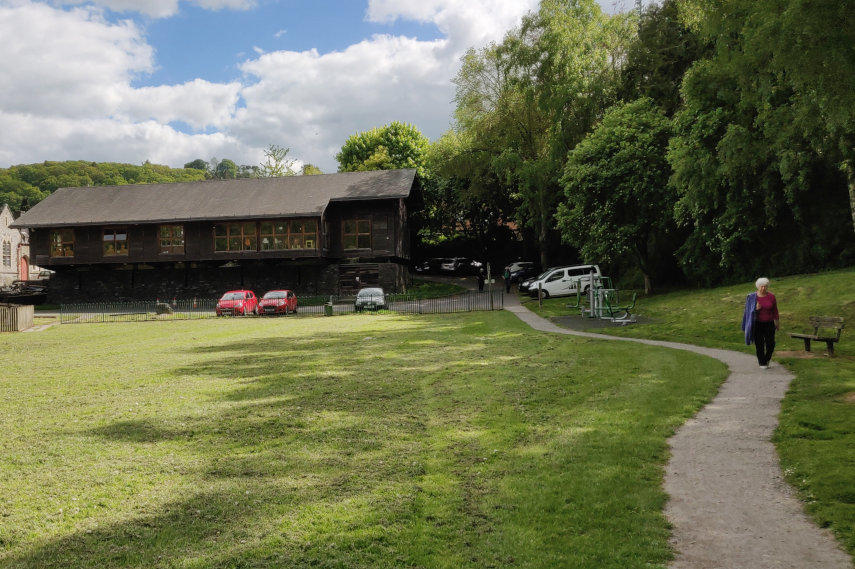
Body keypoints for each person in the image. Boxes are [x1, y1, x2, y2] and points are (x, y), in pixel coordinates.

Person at [742, 277, 780, 368]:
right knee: (759, 344)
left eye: (765, 286)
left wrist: (777, 323)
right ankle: (762, 362)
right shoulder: (752, 297)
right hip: (757, 324)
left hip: (769, 323)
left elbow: (775, 310)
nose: (763, 288)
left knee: (771, 343)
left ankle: (767, 358)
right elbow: (747, 312)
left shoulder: (771, 296)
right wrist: (756, 310)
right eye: (761, 286)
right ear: (758, 287)